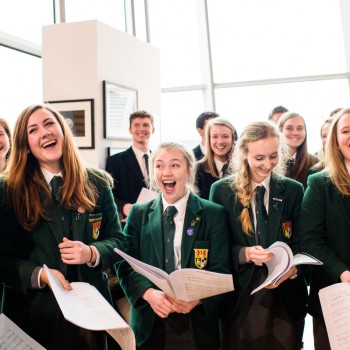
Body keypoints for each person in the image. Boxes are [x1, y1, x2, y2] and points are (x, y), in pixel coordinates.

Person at [0, 104, 125, 349]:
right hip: (34, 314)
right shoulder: (8, 189)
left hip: (91, 315)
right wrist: (40, 274)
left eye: (49, 124)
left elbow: (119, 241)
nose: (44, 132)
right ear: (25, 144)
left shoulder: (97, 181)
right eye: (33, 130)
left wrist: (92, 252)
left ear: (63, 130)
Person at [115, 142, 230, 350]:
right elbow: (124, 265)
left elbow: (221, 269)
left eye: (175, 165)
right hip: (151, 320)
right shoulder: (138, 213)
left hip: (196, 324)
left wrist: (198, 300)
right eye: (159, 166)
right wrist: (148, 294)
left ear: (189, 170)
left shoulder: (213, 214)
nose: (166, 172)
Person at [210, 121, 307, 349]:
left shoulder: (292, 190)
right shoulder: (222, 191)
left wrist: (294, 269)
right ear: (244, 154)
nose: (267, 165)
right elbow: (217, 247)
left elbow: (303, 242)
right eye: (259, 158)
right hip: (241, 295)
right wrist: (244, 253)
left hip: (284, 296)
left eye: (273, 157)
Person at [298, 108, 350, 350]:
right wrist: (343, 272)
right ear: (336, 141)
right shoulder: (320, 183)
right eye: (346, 131)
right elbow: (309, 239)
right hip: (336, 296)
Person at [105, 110, 155, 220]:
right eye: (136, 125)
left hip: (157, 218)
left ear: (153, 129)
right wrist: (123, 207)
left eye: (146, 125)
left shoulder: (159, 160)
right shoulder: (115, 161)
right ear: (130, 130)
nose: (141, 129)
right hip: (129, 219)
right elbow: (108, 193)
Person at [196, 117, 237, 199]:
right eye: (215, 137)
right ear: (209, 139)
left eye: (225, 136)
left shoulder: (241, 168)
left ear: (233, 138)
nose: (220, 141)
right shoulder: (197, 169)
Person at [278, 112, 318, 188]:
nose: (295, 133)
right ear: (280, 131)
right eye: (289, 128)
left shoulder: (315, 163)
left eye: (300, 128)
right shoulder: (271, 161)